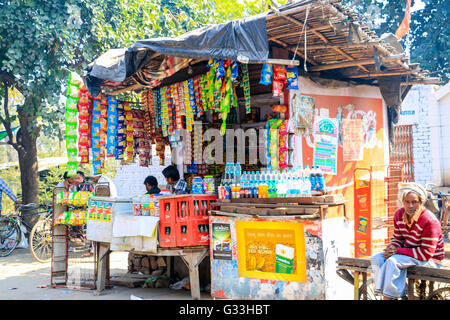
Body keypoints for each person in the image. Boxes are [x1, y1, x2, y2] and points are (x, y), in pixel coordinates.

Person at [371, 182, 445, 300]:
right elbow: (397, 238)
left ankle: (388, 297)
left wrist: (397, 251)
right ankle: (397, 293)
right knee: (377, 258)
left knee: (393, 262)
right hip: (408, 254)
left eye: (414, 202)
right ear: (402, 202)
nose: (410, 205)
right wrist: (391, 249)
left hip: (430, 259)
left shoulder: (429, 220)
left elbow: (426, 253)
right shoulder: (398, 214)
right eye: (407, 202)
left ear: (421, 202)